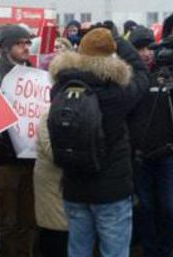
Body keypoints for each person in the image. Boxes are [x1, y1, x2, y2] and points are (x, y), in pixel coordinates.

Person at [48, 27, 148, 257]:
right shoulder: (117, 93)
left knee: (78, 250)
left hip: (74, 185)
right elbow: (142, 74)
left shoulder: (60, 88)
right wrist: (121, 41)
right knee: (114, 251)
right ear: (112, 54)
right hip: (111, 189)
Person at [128, 25, 173, 256]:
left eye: (150, 48)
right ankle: (150, 250)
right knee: (146, 207)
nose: (146, 53)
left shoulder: (170, 73)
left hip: (169, 152)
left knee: (170, 208)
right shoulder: (129, 77)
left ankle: (166, 250)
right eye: (140, 49)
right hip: (141, 154)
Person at [0, 25, 36, 257]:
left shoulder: (34, 73)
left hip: (30, 158)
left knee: (28, 219)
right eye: (20, 43)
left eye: (27, 43)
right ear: (6, 47)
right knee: (7, 219)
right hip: (5, 160)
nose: (26, 47)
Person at [34, 113, 68, 257]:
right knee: (55, 237)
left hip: (74, 188)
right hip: (51, 188)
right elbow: (52, 153)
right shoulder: (48, 117)